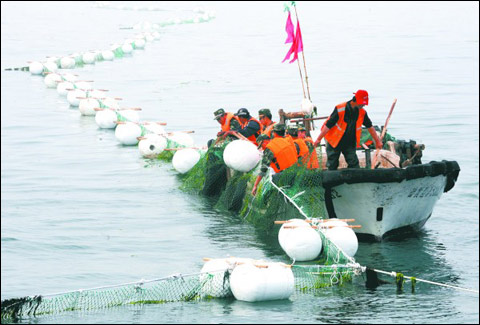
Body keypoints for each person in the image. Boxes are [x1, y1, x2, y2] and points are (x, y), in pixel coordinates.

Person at [314, 90, 382, 170]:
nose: (363, 105)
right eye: (362, 103)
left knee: (354, 163)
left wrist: (377, 141)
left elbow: (370, 126)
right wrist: (319, 139)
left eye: (364, 103)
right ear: (355, 100)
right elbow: (328, 125)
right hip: (334, 140)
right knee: (332, 164)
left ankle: (354, 180)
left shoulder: (362, 112)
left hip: (349, 141)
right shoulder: (340, 108)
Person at [251, 124, 299, 196]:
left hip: (285, 175)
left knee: (272, 186)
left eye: (261, 146)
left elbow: (263, 170)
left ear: (264, 141)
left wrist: (255, 185)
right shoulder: (285, 141)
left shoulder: (269, 148)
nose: (262, 148)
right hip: (296, 172)